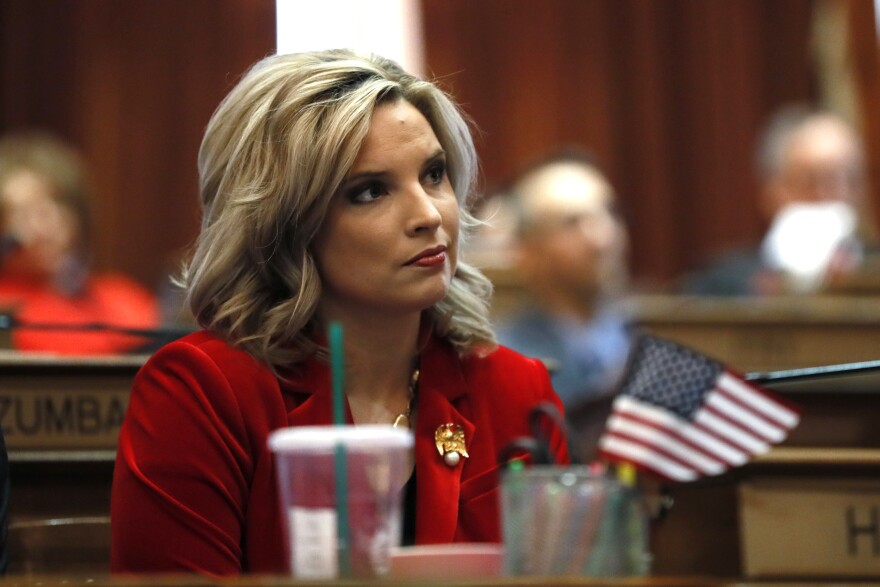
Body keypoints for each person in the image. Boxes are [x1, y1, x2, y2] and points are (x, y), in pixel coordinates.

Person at [110, 49, 569, 575]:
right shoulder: (205, 393)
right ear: (287, 223)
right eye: (370, 191)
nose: (427, 214)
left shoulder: (514, 388)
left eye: (434, 174)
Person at [489, 151, 634, 461]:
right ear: (527, 252)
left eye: (610, 213)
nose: (603, 238)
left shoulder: (649, 341)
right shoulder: (506, 359)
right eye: (572, 223)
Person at [681, 105, 868, 296]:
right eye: (813, 182)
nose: (838, 193)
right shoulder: (719, 285)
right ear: (772, 191)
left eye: (851, 180)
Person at [0, 132, 159, 354]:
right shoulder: (6, 307)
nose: (48, 220)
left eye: (57, 202)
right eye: (23, 210)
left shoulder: (122, 297)